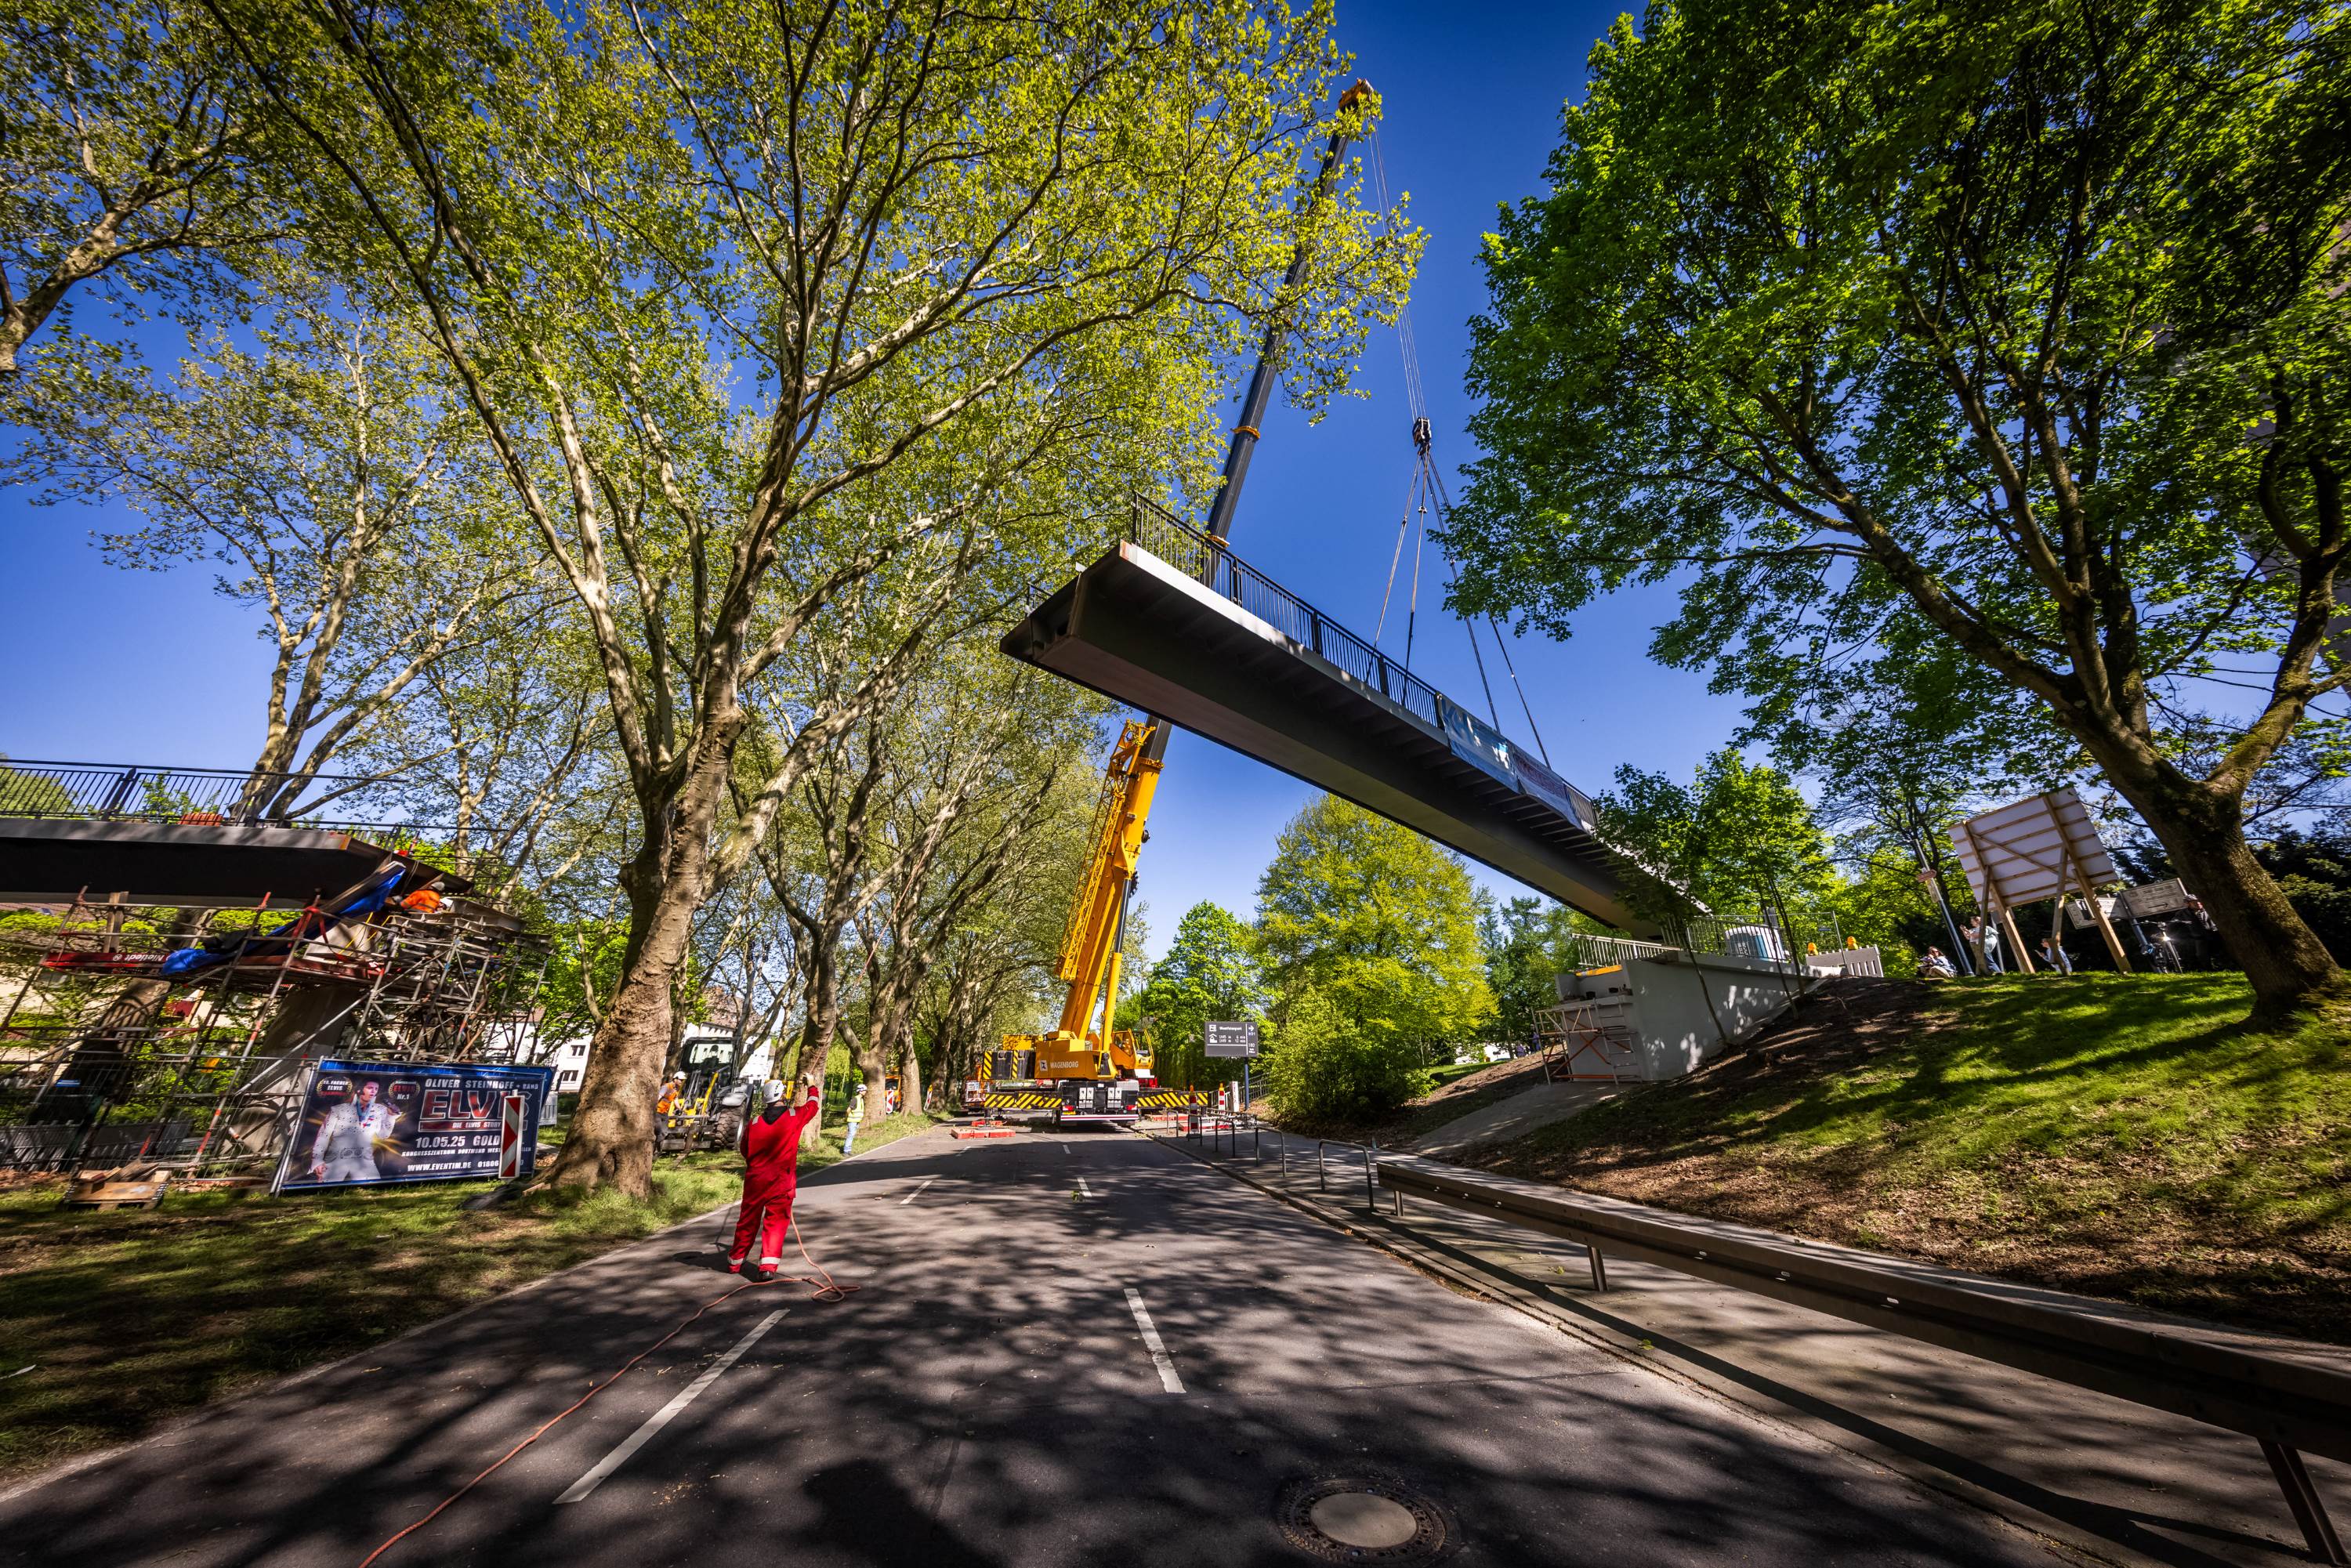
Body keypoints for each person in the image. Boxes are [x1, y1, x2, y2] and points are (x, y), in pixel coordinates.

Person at [730, 1075, 821, 1280]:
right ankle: (767, 1268)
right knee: (776, 1222)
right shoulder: (794, 1116)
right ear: (783, 1095)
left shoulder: (753, 1123)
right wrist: (812, 1085)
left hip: (755, 1180)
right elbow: (813, 1106)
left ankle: (735, 1262)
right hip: (781, 1181)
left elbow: (745, 1150)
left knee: (747, 1220)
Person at [310, 1079, 399, 1184]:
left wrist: (391, 1117)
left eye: (376, 1089)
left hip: (364, 1159)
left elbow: (383, 1135)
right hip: (337, 1157)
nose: (373, 1091)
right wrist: (317, 1160)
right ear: (360, 1089)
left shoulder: (381, 1110)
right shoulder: (338, 1109)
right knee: (324, 1191)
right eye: (370, 1088)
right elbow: (323, 1135)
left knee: (372, 1190)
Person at [841, 1081, 868, 1156]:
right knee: (851, 1135)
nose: (866, 1092)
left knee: (852, 1135)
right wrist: (846, 1118)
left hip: (857, 1121)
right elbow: (848, 1110)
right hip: (852, 1121)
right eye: (865, 1090)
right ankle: (846, 1151)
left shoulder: (861, 1099)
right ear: (861, 1091)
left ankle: (848, 1150)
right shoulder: (855, 1099)